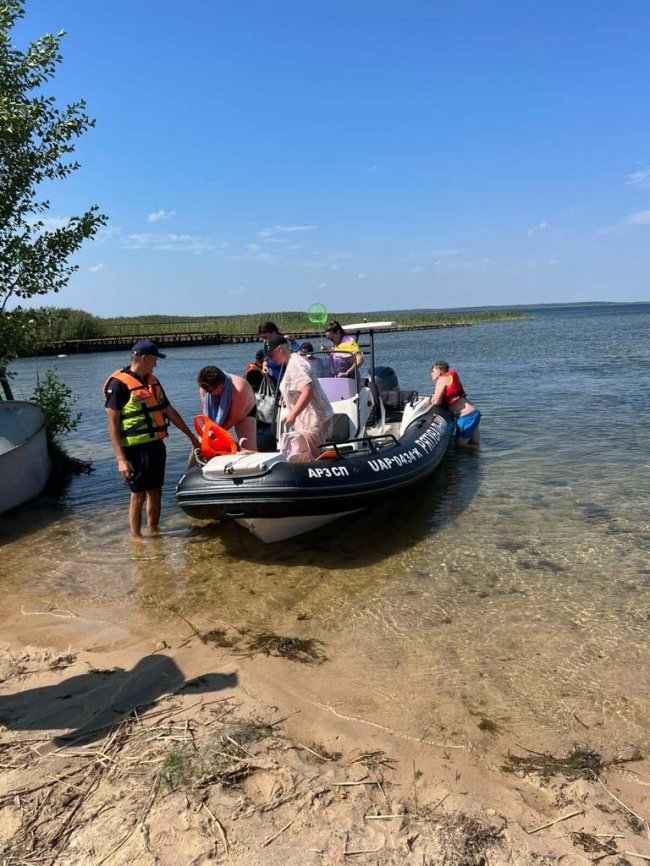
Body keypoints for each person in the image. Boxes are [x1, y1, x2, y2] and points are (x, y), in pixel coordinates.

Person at [104, 339, 200, 538]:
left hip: (155, 445)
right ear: (144, 358)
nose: (156, 364)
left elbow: (169, 410)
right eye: (155, 359)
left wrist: (192, 437)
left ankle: (154, 532)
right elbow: (112, 426)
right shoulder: (118, 385)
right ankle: (136, 538)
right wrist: (121, 459)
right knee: (137, 495)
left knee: (156, 491)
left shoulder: (153, 382)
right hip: (134, 449)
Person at [267, 335, 333, 459]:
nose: (271, 359)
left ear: (280, 349)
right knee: (309, 456)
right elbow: (298, 388)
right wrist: (288, 398)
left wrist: (293, 414)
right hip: (309, 420)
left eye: (271, 355)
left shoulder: (295, 365)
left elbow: (307, 390)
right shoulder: (292, 361)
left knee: (313, 458)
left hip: (314, 420)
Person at [197, 366, 257, 450]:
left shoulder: (239, 389)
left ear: (221, 385)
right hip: (221, 410)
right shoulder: (205, 388)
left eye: (210, 391)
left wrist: (214, 434)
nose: (208, 393)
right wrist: (207, 435)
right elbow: (206, 416)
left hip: (243, 414)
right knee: (201, 442)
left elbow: (233, 420)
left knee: (247, 446)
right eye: (206, 390)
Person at [430, 360, 481, 446]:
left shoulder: (441, 379)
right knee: (474, 445)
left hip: (466, 416)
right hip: (474, 412)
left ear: (440, 371)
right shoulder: (448, 378)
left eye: (433, 371)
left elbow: (437, 402)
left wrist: (431, 399)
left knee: (461, 447)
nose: (431, 373)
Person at [258, 321, 300, 388]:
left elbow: (299, 356)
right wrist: (264, 367)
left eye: (265, 337)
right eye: (262, 338)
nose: (264, 340)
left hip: (292, 381)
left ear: (274, 332)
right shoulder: (267, 344)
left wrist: (293, 342)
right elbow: (266, 360)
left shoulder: (286, 341)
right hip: (277, 382)